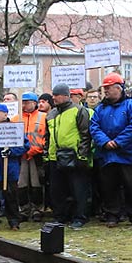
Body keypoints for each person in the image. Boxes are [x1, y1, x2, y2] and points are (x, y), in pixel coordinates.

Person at [90, 72, 132, 227]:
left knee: (131, 186)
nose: (106, 91)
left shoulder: (131, 105)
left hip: (127, 154)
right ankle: (112, 215)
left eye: (109, 87)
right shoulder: (100, 109)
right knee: (109, 186)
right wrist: (105, 141)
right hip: (107, 155)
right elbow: (94, 127)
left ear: (119, 88)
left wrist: (118, 142)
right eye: (104, 88)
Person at [45, 83, 92, 229]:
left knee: (78, 189)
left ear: (66, 95)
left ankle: (80, 217)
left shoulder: (79, 111)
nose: (53, 98)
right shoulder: (51, 114)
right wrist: (46, 155)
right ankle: (60, 217)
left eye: (56, 95)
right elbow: (48, 137)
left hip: (74, 156)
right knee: (57, 190)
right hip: (55, 157)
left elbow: (86, 135)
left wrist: (82, 156)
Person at [18, 92, 47, 222]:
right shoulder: (16, 118)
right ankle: (24, 209)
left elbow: (47, 136)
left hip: (37, 155)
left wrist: (36, 150)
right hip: (21, 155)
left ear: (34, 103)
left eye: (27, 102)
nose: (24, 104)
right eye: (23, 102)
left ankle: (37, 209)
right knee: (21, 184)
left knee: (37, 184)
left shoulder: (43, 117)